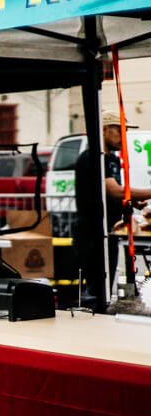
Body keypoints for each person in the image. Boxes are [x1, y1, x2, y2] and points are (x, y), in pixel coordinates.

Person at [73, 110, 151, 310]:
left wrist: (134, 203)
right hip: (91, 230)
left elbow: (117, 195)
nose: (122, 136)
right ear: (105, 130)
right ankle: (92, 316)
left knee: (107, 278)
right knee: (96, 282)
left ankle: (102, 309)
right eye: (119, 130)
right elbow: (115, 191)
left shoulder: (112, 160)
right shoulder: (92, 158)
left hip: (110, 230)